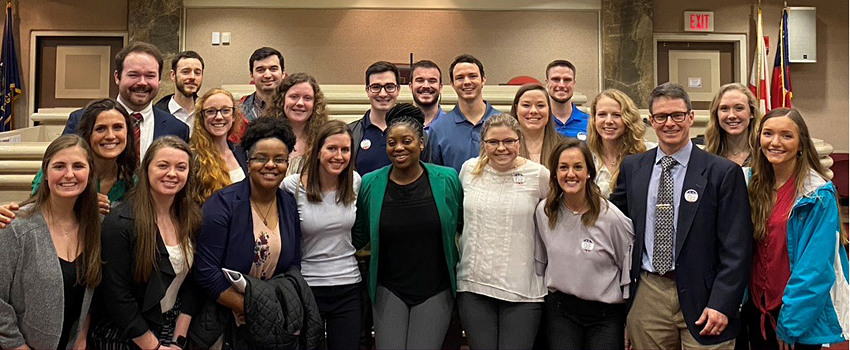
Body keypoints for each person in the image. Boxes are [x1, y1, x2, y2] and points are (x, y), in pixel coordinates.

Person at [610, 82, 752, 349]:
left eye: (677, 115)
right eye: (661, 117)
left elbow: (738, 247)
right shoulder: (633, 168)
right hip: (648, 294)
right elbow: (613, 224)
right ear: (651, 121)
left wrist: (722, 303)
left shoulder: (722, 173)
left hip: (706, 298)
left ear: (690, 117)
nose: (669, 123)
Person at [352, 103, 462, 349]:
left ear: (421, 143)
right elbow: (357, 235)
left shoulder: (447, 179)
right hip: (388, 289)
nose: (399, 148)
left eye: (407, 141)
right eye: (392, 142)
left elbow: (463, 223)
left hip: (435, 289)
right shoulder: (371, 183)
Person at [745, 108, 849, 350]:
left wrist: (791, 324)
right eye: (768, 134)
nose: (775, 142)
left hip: (795, 312)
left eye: (786, 136)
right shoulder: (750, 184)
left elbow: (815, 268)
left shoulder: (817, 194)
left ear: (801, 143)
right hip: (756, 307)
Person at [195, 117, 302, 342]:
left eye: (279, 159)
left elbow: (293, 263)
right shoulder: (221, 205)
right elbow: (206, 272)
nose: (271, 165)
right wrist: (252, 306)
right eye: (261, 158)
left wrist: (271, 307)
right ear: (247, 160)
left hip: (272, 322)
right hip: (226, 321)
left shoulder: (289, 203)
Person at [88, 136, 201, 350]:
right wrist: (154, 347)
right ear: (146, 169)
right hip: (123, 334)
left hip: (170, 329)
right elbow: (117, 296)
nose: (172, 174)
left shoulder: (191, 218)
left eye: (181, 167)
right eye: (163, 165)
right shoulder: (120, 223)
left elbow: (191, 286)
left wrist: (178, 340)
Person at [456, 113, 548, 349]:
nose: (501, 148)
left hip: (522, 289)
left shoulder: (538, 175)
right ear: (483, 143)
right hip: (473, 285)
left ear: (519, 141)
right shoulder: (468, 170)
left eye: (509, 141)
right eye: (493, 142)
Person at [0, 135, 101, 350]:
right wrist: (16, 345)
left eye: (78, 166)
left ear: (89, 172)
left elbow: (91, 297)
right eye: (59, 166)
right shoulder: (16, 226)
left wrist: (81, 338)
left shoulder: (95, 227)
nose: (69, 174)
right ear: (45, 173)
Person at [534, 139, 634, 349]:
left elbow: (627, 272)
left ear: (589, 172)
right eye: (563, 168)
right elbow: (542, 261)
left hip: (605, 317)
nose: (570, 174)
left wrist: (629, 321)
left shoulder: (612, 219)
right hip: (561, 311)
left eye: (578, 167)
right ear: (554, 173)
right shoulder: (545, 212)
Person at [282, 120, 362, 349]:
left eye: (345, 150)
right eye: (332, 149)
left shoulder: (355, 182)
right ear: (317, 152)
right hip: (308, 287)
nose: (339, 156)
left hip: (348, 285)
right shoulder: (292, 186)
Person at [62, 42, 189, 158]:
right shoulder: (80, 120)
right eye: (133, 75)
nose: (142, 82)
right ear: (117, 77)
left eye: (150, 76)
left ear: (159, 80)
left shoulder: (177, 129)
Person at [429, 54, 502, 173]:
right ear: (452, 83)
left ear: (483, 80)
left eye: (472, 76)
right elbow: (435, 177)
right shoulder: (438, 129)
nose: (467, 82)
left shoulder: (503, 123)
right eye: (460, 78)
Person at [587, 89, 651, 198]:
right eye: (602, 114)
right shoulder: (586, 157)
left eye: (616, 115)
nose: (608, 121)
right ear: (594, 119)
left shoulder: (648, 154)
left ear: (629, 119)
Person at [190, 89, 248, 204]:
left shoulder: (241, 152)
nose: (219, 117)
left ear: (233, 116)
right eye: (211, 111)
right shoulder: (193, 157)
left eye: (225, 111)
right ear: (202, 118)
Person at [266, 73, 329, 176]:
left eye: (307, 98)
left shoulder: (324, 138)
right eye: (294, 97)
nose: (300, 103)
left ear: (315, 104)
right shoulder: (265, 136)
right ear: (282, 100)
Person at [350, 61, 401, 175]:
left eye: (389, 87)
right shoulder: (350, 133)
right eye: (376, 87)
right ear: (367, 90)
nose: (383, 94)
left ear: (398, 90)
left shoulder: (416, 133)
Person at [705, 83, 760, 167]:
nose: (731, 115)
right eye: (724, 109)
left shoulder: (765, 154)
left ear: (751, 112)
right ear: (716, 114)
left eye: (739, 108)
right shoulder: (706, 157)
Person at [510, 83, 563, 164]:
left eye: (540, 105)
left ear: (549, 109)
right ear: (516, 109)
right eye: (526, 105)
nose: (533, 111)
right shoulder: (504, 148)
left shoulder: (564, 146)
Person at [154, 51, 205, 131]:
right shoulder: (156, 115)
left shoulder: (207, 112)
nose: (192, 77)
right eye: (185, 72)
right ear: (173, 75)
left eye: (197, 73)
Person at [545, 60, 589, 140]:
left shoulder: (590, 123)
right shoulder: (540, 122)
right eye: (556, 79)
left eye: (567, 80)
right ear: (547, 83)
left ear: (574, 84)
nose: (561, 85)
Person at [239, 47, 286, 122]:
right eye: (260, 70)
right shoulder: (239, 110)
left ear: (283, 74)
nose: (267, 75)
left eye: (273, 69)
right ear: (252, 75)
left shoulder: (293, 108)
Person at [409, 60, 446, 131]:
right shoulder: (398, 124)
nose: (426, 86)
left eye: (432, 81)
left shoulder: (452, 127)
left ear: (440, 87)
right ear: (411, 86)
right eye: (420, 80)